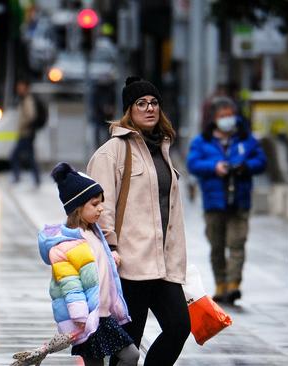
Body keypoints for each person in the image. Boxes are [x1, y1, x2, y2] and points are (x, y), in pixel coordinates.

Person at [87, 76, 191, 366]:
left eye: (154, 103)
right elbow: (99, 207)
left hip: (162, 263)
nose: (149, 109)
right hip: (128, 264)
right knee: (128, 344)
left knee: (179, 327)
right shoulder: (113, 152)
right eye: (141, 104)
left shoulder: (163, 149)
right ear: (129, 111)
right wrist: (111, 247)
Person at [38, 162, 139, 366]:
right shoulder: (66, 244)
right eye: (94, 204)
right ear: (77, 207)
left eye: (101, 202)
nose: (101, 208)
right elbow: (69, 283)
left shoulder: (94, 232)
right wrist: (80, 316)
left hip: (104, 315)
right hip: (87, 319)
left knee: (131, 356)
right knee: (112, 359)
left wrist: (111, 259)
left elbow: (95, 265)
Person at [186, 96, 267, 304]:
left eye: (230, 115)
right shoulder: (202, 141)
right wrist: (215, 167)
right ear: (214, 118)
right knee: (217, 245)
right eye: (223, 116)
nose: (227, 120)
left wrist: (244, 166)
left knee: (237, 242)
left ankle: (233, 284)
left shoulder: (245, 138)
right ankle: (221, 283)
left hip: (239, 200)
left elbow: (261, 161)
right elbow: (193, 164)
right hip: (214, 202)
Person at [10, 78, 40, 187]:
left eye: (20, 87)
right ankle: (36, 178)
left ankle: (17, 177)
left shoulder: (28, 100)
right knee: (30, 157)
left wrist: (23, 125)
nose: (18, 89)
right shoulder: (23, 99)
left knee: (14, 155)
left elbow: (31, 116)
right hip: (25, 133)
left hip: (26, 133)